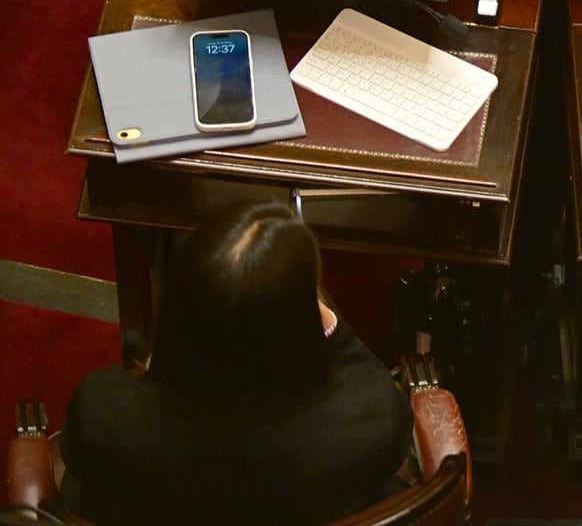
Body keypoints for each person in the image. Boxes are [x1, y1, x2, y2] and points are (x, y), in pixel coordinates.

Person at [59, 201, 411, 525]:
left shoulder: (101, 413)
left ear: (176, 307)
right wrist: (331, 327)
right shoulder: (373, 415)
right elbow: (371, 377)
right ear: (299, 327)